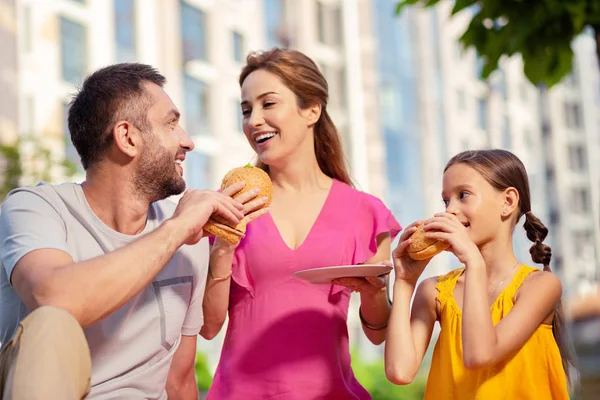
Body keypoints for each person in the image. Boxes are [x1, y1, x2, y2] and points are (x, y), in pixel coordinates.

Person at [0, 63, 267, 399]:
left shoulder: (190, 241)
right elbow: (55, 299)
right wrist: (178, 228)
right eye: (171, 123)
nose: (187, 141)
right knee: (51, 323)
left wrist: (189, 234)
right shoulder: (36, 208)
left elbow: (180, 379)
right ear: (127, 137)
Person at [201, 48, 401, 399]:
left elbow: (378, 331)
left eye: (268, 104)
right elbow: (208, 325)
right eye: (246, 110)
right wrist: (223, 245)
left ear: (311, 109)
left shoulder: (366, 212)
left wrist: (373, 292)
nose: (254, 120)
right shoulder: (231, 201)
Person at [385, 149, 574, 399]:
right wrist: (404, 283)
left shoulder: (540, 286)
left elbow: (480, 355)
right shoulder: (434, 292)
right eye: (446, 200)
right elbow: (400, 372)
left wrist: (474, 263)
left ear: (507, 202)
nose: (450, 210)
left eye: (463, 195)